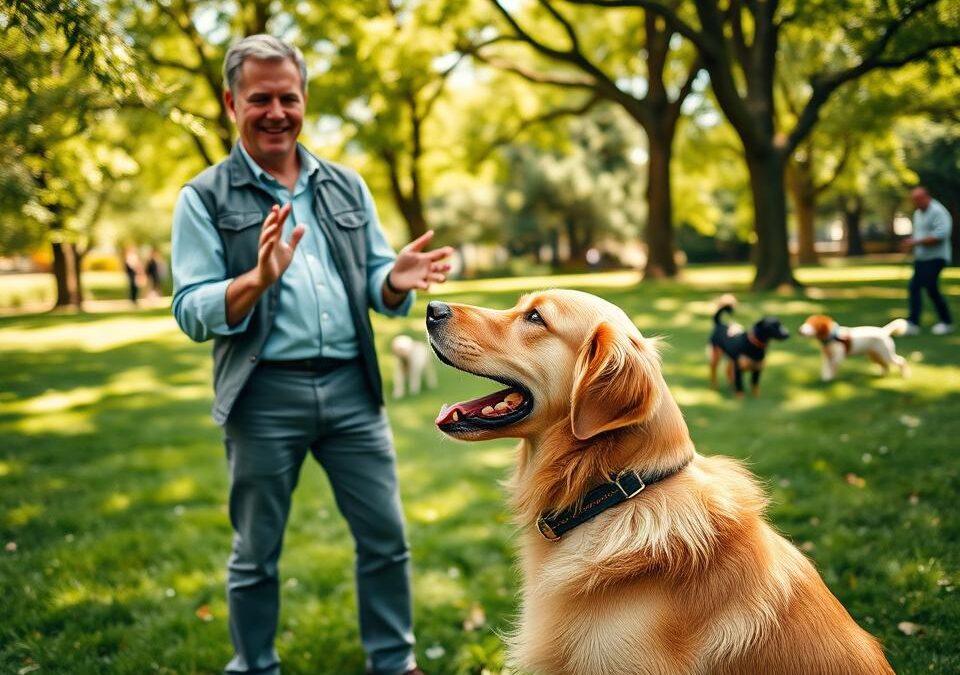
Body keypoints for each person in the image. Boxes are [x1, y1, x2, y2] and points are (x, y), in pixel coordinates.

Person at [170, 34, 451, 675]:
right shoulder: (204, 197)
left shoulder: (346, 186)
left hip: (354, 389)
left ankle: (393, 662)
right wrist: (255, 280)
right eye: (259, 98)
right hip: (264, 396)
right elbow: (190, 308)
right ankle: (255, 665)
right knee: (256, 550)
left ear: (304, 101)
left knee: (385, 539)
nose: (276, 112)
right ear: (230, 101)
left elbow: (376, 276)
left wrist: (393, 279)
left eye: (287, 98)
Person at [902, 186, 953, 335]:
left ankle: (944, 322)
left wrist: (916, 243)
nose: (915, 203)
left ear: (926, 197)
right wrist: (912, 244)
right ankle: (914, 322)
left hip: (937, 258)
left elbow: (940, 235)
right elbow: (919, 235)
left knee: (928, 288)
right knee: (917, 288)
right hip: (922, 258)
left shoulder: (938, 212)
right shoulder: (918, 214)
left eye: (917, 200)